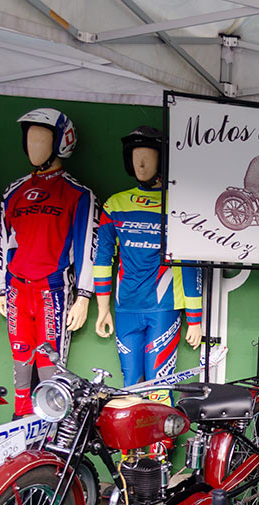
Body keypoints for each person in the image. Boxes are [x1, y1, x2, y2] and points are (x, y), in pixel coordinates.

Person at [0, 107, 97, 417]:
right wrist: (0, 288)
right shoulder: (13, 191)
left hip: (52, 288)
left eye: (41, 139)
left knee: (49, 366)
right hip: (16, 288)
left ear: (62, 142)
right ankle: (19, 425)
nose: (33, 146)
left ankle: (49, 431)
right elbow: (3, 242)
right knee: (20, 363)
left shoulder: (77, 193)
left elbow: (87, 246)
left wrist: (84, 296)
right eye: (29, 138)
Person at [92, 126, 203, 386]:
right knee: (130, 385)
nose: (140, 163)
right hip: (125, 306)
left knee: (158, 384)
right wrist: (102, 308)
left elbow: (190, 263)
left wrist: (195, 319)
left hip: (163, 307)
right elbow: (102, 258)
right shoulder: (114, 204)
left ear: (162, 160)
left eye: (148, 156)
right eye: (135, 156)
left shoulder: (178, 205)